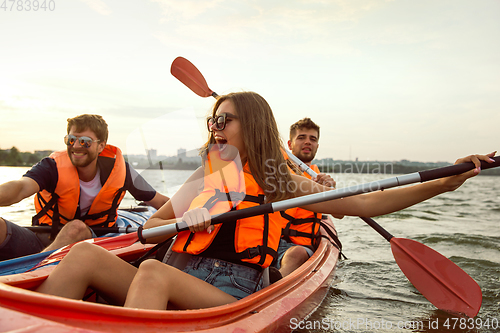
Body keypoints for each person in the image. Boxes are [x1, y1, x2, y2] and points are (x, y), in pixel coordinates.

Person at [35, 92, 495, 311]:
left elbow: (368, 202)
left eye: (226, 120)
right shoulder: (207, 172)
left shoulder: (279, 179)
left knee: (154, 273)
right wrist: (184, 221)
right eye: (213, 120)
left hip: (232, 290)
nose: (216, 128)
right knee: (81, 255)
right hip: (179, 270)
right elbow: (152, 226)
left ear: (251, 125)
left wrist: (445, 182)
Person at [0, 114, 169, 261]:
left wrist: (192, 212)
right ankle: (32, 268)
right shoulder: (51, 166)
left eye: (85, 142)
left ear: (101, 146)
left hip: (93, 244)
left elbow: (160, 202)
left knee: (76, 228)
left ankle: (32, 272)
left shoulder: (123, 171)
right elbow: (20, 188)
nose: (76, 146)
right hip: (44, 238)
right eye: (71, 140)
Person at [273, 117, 337, 279]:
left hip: (298, 246)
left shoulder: (320, 178)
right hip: (269, 240)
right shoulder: (275, 170)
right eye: (301, 137)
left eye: (312, 139)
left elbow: (339, 213)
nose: (307, 142)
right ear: (289, 145)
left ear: (317, 146)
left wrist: (330, 190)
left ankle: (271, 289)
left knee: (297, 253)